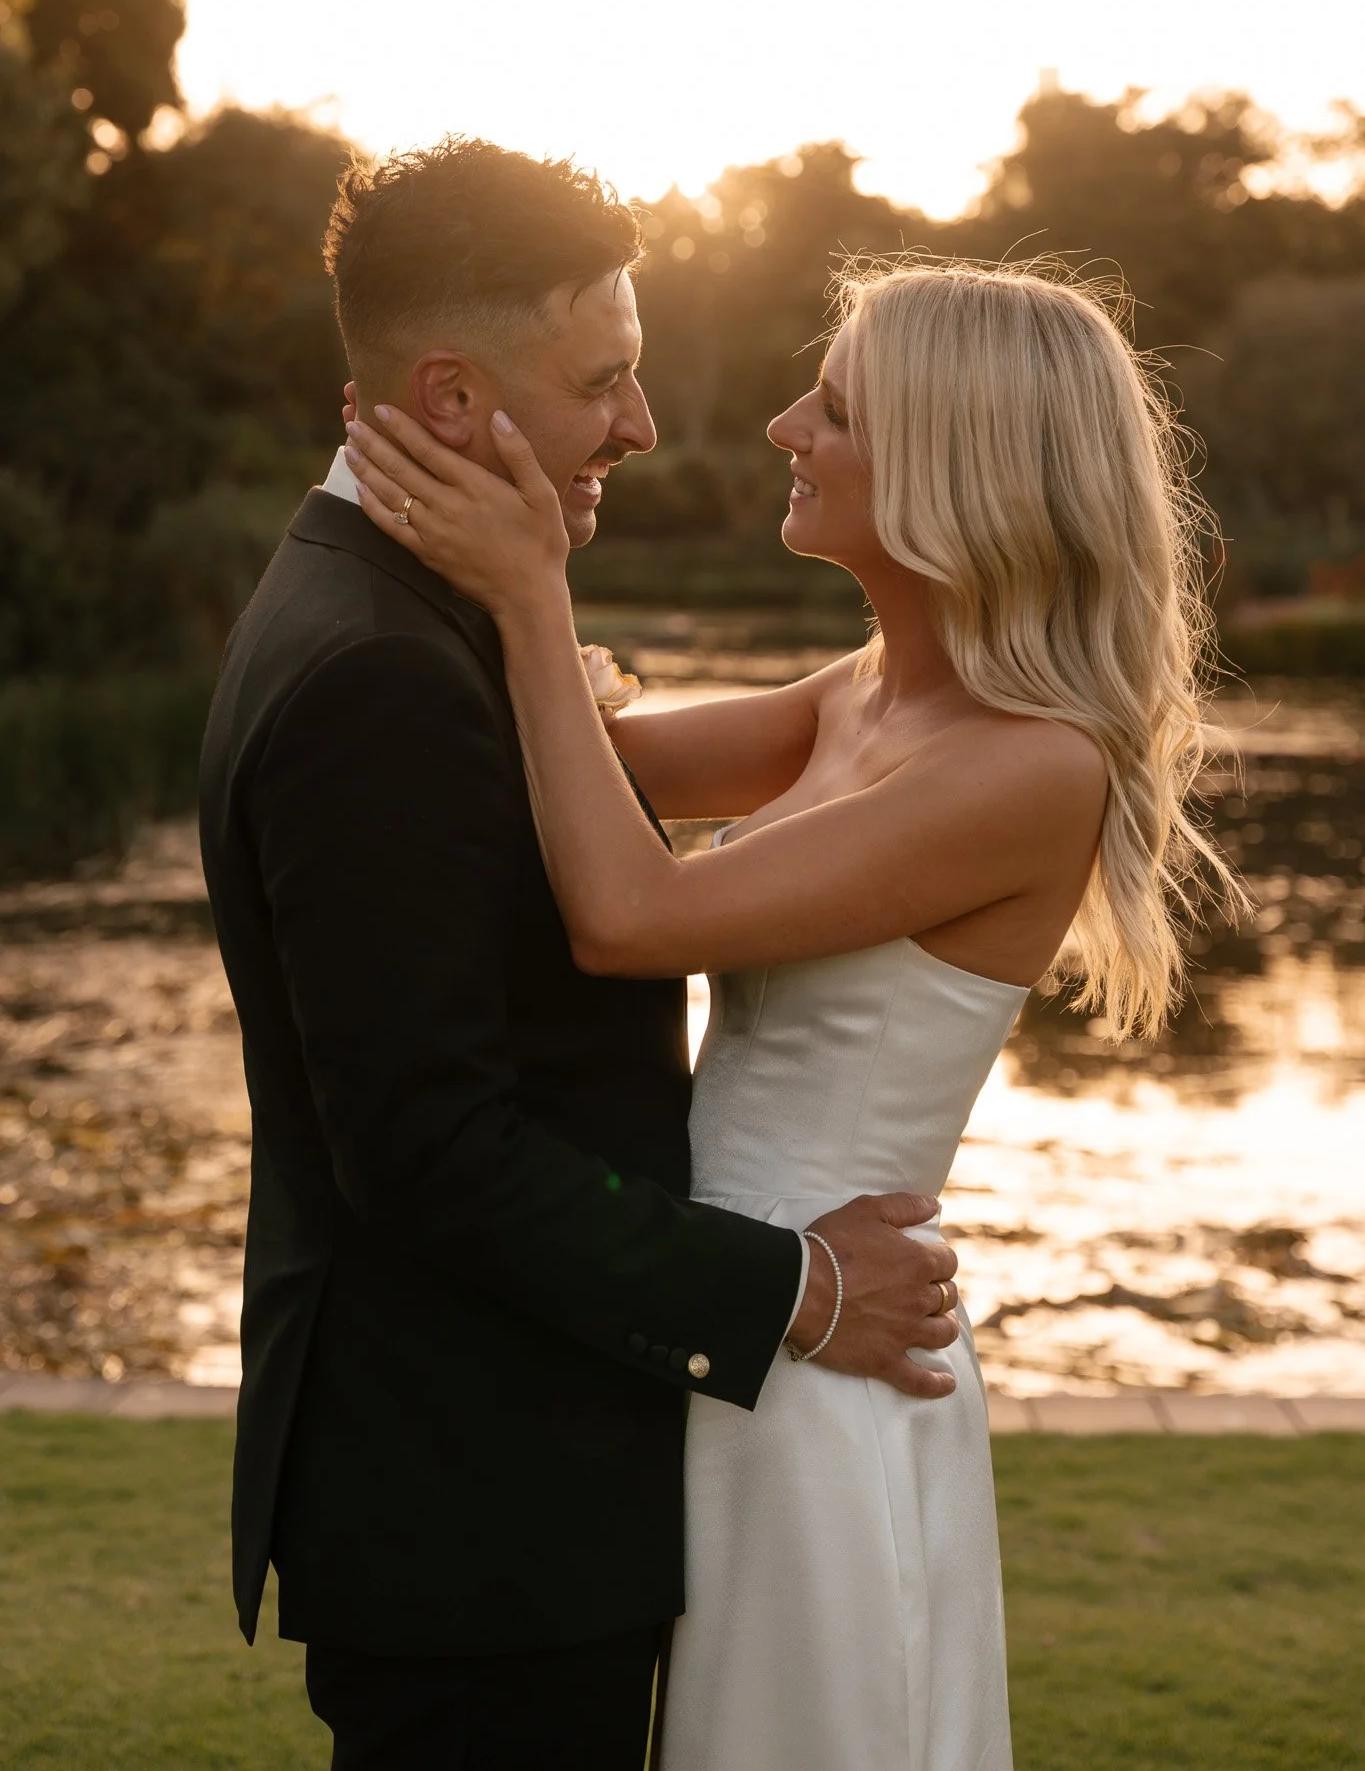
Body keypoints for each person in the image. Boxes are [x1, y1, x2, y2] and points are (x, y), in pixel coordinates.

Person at [343, 254, 1242, 1770]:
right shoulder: (868, 695)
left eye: (831, 407)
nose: (780, 425)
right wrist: (460, 579)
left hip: (827, 1354)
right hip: (738, 1310)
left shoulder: (1031, 768)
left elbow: (629, 915)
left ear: (955, 467)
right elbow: (582, 783)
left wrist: (528, 589)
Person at [197, 140, 961, 1771]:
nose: (643, 423)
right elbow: (428, 1152)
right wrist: (797, 1292)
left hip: (507, 1490)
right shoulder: (377, 679)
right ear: (454, 398)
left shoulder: (412, 618)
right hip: (480, 1509)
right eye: (602, 378)